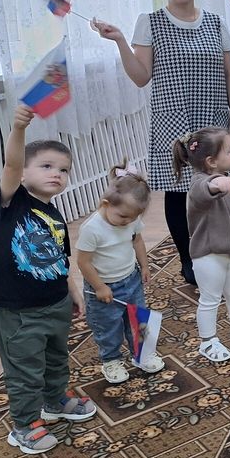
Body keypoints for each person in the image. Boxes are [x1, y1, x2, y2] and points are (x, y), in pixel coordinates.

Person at [92, 0, 230, 286]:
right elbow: (140, 77)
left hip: (212, 117)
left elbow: (229, 74)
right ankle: (189, 260)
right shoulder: (149, 22)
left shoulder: (216, 22)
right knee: (178, 192)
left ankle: (220, 250)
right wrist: (119, 41)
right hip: (173, 121)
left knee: (218, 186)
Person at [0, 105, 96, 454]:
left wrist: (72, 291)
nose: (57, 174)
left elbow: (59, 259)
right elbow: (11, 164)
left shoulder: (53, 214)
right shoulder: (12, 203)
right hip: (20, 312)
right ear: (23, 173)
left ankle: (55, 400)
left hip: (55, 304)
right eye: (47, 166)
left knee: (56, 358)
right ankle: (24, 425)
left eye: (64, 170)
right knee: (25, 370)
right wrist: (18, 129)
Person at [174, 127, 230, 363]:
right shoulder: (198, 183)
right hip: (209, 254)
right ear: (212, 161)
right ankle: (208, 341)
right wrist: (216, 183)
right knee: (210, 298)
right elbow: (204, 191)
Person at [78, 162, 165, 384]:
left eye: (132, 218)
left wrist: (144, 266)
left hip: (131, 279)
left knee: (139, 319)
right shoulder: (92, 229)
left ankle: (142, 354)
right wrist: (99, 286)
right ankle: (111, 360)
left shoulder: (131, 219)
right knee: (108, 326)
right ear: (106, 204)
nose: (127, 222)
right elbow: (83, 262)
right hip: (104, 287)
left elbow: (137, 241)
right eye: (123, 217)